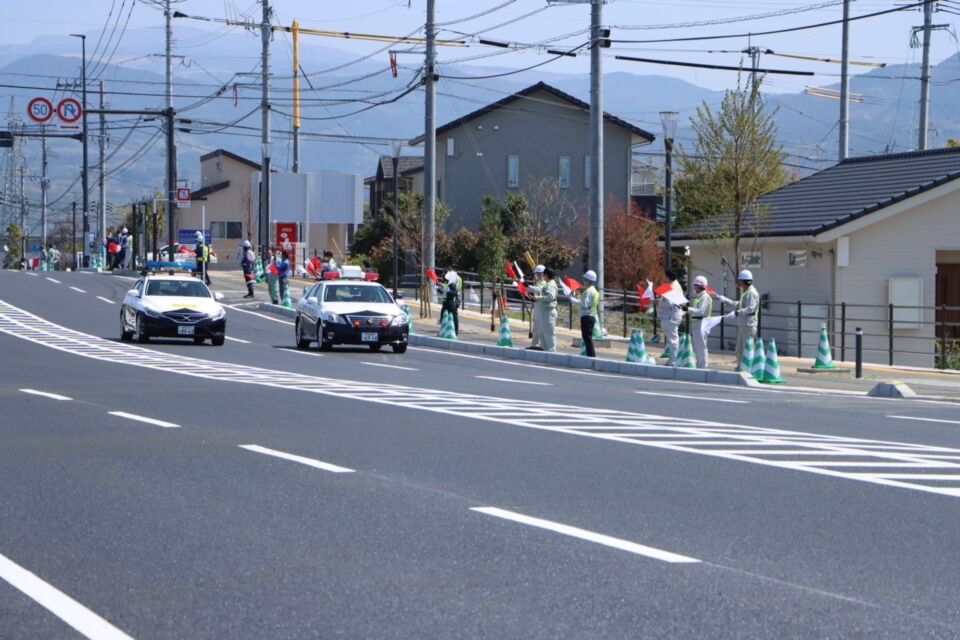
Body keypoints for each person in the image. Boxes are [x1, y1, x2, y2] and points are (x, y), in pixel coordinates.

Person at [718, 270, 760, 371]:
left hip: (748, 324)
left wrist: (737, 313)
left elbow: (750, 309)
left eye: (740, 281)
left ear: (745, 281)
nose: (739, 283)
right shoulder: (745, 292)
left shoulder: (751, 293)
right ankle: (741, 367)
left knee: (747, 348)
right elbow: (739, 304)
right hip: (743, 324)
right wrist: (726, 300)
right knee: (739, 349)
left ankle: (748, 369)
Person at [570, 270, 600, 357]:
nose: (584, 280)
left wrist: (574, 300)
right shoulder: (594, 290)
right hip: (592, 315)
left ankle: (591, 355)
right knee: (588, 336)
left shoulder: (588, 291)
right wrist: (577, 296)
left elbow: (585, 304)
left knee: (587, 337)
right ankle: (590, 355)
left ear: (588, 280)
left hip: (587, 315)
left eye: (585, 278)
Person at [685, 276, 713, 368]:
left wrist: (688, 309)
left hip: (702, 323)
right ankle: (699, 365)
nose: (694, 287)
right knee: (698, 347)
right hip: (698, 324)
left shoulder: (705, 297)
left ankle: (703, 366)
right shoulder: (700, 297)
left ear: (701, 286)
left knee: (701, 347)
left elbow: (701, 311)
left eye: (696, 285)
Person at [657, 269, 684, 365]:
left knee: (673, 339)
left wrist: (659, 303)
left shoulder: (673, 287)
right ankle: (673, 359)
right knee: (672, 338)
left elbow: (670, 303)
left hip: (670, 317)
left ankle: (674, 360)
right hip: (672, 315)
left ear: (667, 277)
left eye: (665, 276)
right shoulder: (675, 286)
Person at [530, 266, 558, 352]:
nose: (541, 276)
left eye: (542, 274)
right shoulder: (547, 283)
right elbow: (539, 289)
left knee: (548, 332)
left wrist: (539, 298)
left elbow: (551, 297)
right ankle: (544, 348)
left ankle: (551, 350)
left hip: (549, 311)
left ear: (545, 275)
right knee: (543, 332)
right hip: (544, 311)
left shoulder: (550, 284)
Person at [438, 263, 463, 335]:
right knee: (445, 316)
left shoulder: (457, 278)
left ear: (455, 270)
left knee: (454, 316)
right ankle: (444, 331)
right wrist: (440, 287)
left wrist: (448, 290)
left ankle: (455, 331)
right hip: (446, 299)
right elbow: (445, 287)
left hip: (453, 299)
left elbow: (456, 290)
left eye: (450, 269)